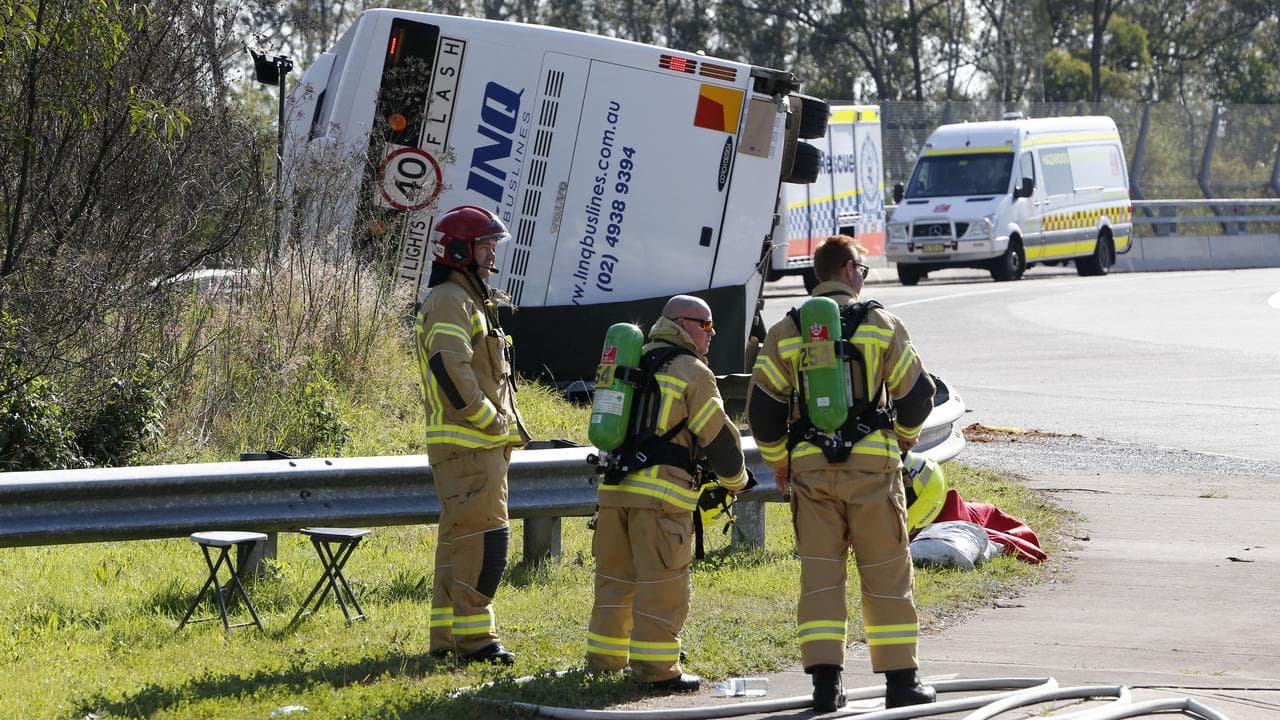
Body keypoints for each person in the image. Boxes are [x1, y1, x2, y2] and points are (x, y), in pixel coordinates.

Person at [746, 235, 937, 713]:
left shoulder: (786, 331)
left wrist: (779, 462)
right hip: (873, 467)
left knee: (821, 578)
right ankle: (901, 684)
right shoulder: (880, 323)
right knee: (886, 573)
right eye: (864, 269)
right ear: (851, 271)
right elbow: (918, 396)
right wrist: (903, 440)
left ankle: (825, 690)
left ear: (818, 274)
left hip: (811, 471)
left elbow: (764, 411)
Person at [585, 295, 750, 692]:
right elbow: (720, 438)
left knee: (614, 580)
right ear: (683, 323)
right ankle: (657, 671)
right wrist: (737, 481)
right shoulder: (691, 371)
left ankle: (604, 661)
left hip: (613, 492)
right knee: (662, 584)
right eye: (706, 325)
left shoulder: (632, 360)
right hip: (660, 499)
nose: (712, 334)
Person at [415, 205, 530, 665]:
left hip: (473, 449)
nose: (491, 256)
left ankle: (448, 641)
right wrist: (489, 420)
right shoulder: (450, 299)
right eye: (484, 246)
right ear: (460, 249)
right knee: (485, 544)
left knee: (461, 545)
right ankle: (477, 644)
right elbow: (450, 365)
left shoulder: (467, 298)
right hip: (470, 445)